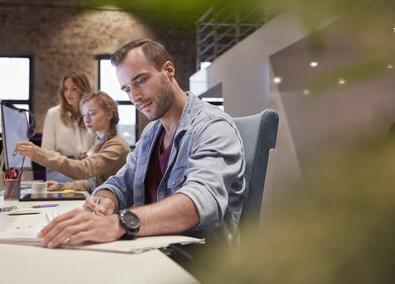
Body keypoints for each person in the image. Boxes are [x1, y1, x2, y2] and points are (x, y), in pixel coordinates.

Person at [38, 39, 245, 249]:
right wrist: (103, 201)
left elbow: (199, 202)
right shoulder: (151, 133)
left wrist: (120, 223)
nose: (135, 97)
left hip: (197, 263)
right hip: (154, 250)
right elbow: (119, 183)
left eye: (141, 81)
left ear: (169, 70)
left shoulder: (213, 127)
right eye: (127, 89)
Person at [16, 91, 131, 192]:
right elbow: (93, 183)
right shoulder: (101, 142)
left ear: (109, 114)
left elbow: (83, 169)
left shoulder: (117, 146)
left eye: (91, 113)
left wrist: (36, 153)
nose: (86, 119)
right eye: (84, 114)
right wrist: (61, 186)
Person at [41, 70, 97, 182]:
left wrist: (90, 153)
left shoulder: (93, 114)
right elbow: (47, 150)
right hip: (60, 168)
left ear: (83, 91)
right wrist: (70, 163)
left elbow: (99, 142)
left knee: (99, 179)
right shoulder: (53, 114)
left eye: (73, 89)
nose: (68, 93)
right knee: (85, 181)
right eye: (65, 89)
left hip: (87, 165)